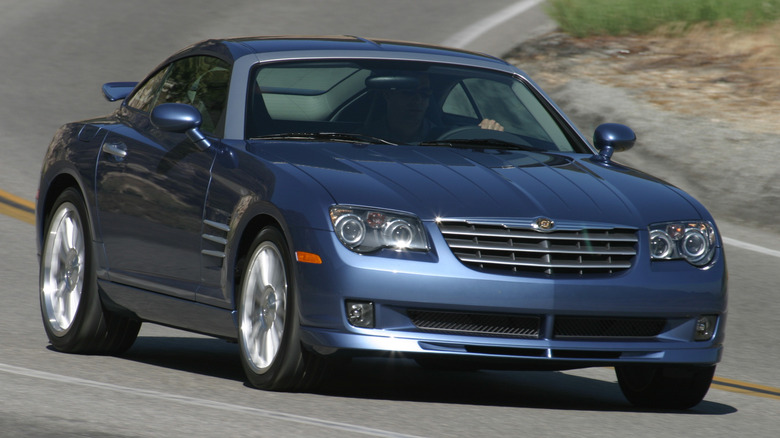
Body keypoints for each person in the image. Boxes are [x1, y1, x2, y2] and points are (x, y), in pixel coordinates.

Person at [366, 73, 503, 144]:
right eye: (408, 92)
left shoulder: (449, 139)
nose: (418, 100)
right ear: (388, 95)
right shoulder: (361, 139)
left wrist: (489, 136)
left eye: (424, 94)